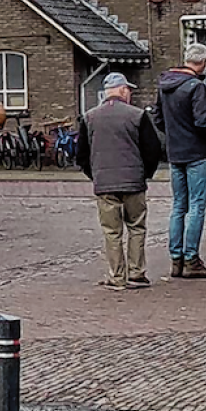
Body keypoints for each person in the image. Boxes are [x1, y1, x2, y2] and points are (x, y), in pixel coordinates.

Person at [77, 73, 163, 291]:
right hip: (133, 182)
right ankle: (136, 273)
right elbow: (153, 149)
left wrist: (96, 174)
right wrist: (144, 174)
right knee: (136, 227)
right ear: (123, 90)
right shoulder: (137, 115)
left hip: (104, 183)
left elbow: (81, 155)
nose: (130, 94)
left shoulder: (89, 117)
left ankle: (117, 276)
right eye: (129, 90)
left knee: (112, 232)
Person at [157, 43, 206, 279]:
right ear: (203, 63)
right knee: (196, 205)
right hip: (195, 152)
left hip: (175, 152)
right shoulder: (196, 86)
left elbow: (157, 117)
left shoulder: (165, 84)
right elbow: (202, 121)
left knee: (178, 205)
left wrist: (172, 134)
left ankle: (176, 258)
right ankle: (191, 257)